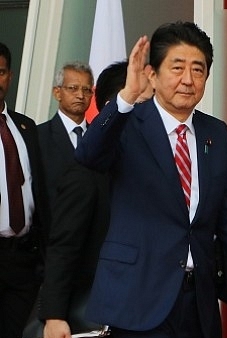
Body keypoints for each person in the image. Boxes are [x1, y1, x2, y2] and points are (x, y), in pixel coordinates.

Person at [75, 21, 227, 338]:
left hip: (196, 300)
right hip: (137, 299)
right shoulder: (128, 123)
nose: (188, 80)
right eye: (177, 68)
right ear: (152, 75)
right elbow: (88, 155)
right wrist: (127, 96)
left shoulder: (216, 133)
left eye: (198, 70)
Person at [36, 60, 153, 338]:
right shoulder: (86, 171)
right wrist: (53, 316)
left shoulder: (154, 167)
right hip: (96, 315)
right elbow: (64, 247)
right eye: (149, 100)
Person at [0, 41, 48, 338]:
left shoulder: (26, 127)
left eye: (0, 72)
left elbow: (39, 189)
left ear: (9, 76)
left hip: (22, 261)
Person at [37, 61, 94, 204]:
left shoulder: (98, 136)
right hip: (52, 223)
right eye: (73, 88)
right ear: (57, 93)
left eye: (86, 90)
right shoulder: (38, 136)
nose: (80, 95)